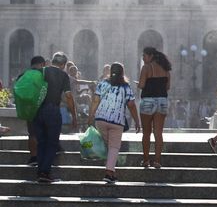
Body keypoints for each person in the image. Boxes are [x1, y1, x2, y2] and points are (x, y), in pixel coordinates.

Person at [88, 62, 140, 183]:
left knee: (109, 145)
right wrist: (137, 121)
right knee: (114, 147)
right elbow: (131, 105)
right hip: (117, 121)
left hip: (100, 119)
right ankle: (109, 172)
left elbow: (95, 100)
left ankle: (111, 170)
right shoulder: (126, 87)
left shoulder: (102, 84)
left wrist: (91, 116)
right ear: (123, 73)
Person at [32, 52, 77, 183]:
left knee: (41, 143)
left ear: (52, 61)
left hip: (37, 110)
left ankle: (40, 171)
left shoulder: (41, 71)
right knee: (52, 143)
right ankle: (45, 172)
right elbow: (68, 96)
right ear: (63, 65)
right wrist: (74, 115)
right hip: (52, 111)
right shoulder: (63, 75)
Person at [138, 46, 171, 169]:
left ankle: (146, 160)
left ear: (151, 56)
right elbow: (167, 87)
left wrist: (141, 84)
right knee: (158, 133)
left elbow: (141, 85)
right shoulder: (166, 70)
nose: (143, 58)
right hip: (162, 101)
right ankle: (157, 161)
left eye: (144, 55)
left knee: (146, 132)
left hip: (148, 101)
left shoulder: (146, 68)